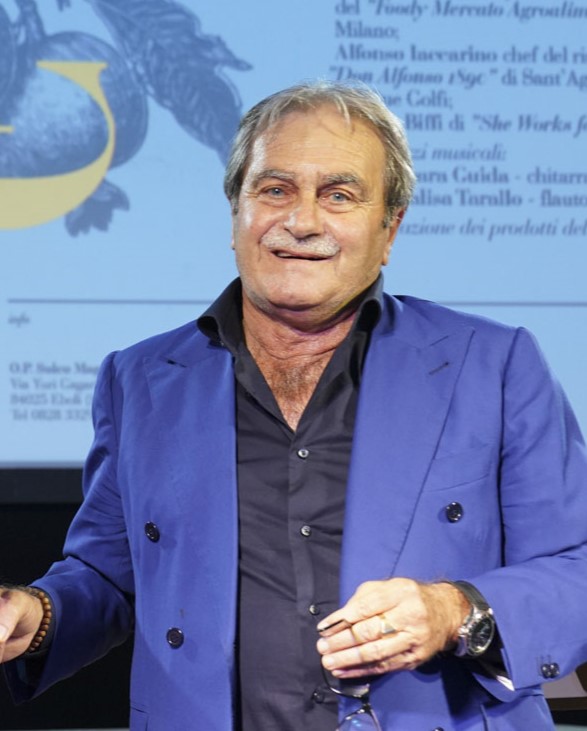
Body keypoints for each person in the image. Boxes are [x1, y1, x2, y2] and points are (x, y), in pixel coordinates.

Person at [1, 80, 587, 731]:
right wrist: (36, 615)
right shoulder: (140, 380)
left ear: (389, 228)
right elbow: (109, 576)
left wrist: (454, 610)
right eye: (274, 189)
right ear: (236, 212)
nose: (302, 221)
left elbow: (576, 568)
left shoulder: (494, 366)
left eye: (339, 195)